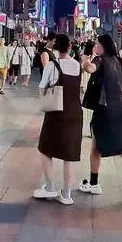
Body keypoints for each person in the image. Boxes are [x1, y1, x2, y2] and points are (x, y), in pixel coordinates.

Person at [80, 34, 122, 203]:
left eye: (97, 44)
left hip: (104, 109)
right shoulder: (119, 62)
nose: (95, 47)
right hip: (120, 109)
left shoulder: (100, 60)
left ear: (103, 46)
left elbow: (89, 69)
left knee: (96, 147)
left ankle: (94, 184)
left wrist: (85, 59)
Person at [34, 34, 83, 205]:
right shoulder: (77, 65)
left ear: (56, 48)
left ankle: (50, 187)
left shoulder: (52, 65)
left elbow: (42, 88)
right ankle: (67, 195)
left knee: (45, 148)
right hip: (75, 113)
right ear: (70, 47)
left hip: (56, 113)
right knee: (69, 155)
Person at [81, 40, 95, 137]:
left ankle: (91, 130)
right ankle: (86, 129)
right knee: (84, 108)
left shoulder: (96, 57)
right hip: (85, 81)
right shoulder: (84, 57)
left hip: (92, 83)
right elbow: (82, 70)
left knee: (91, 109)